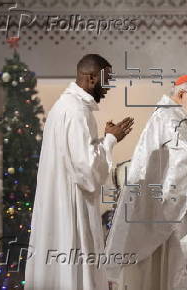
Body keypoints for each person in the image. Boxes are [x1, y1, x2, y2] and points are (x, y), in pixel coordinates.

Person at [105, 75, 187, 290]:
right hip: (161, 203)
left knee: (164, 264)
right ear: (182, 94)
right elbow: (181, 157)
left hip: (162, 200)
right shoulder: (169, 117)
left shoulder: (172, 115)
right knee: (165, 263)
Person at [25, 54, 134, 290]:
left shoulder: (64, 107)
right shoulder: (76, 112)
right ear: (92, 78)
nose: (108, 87)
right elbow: (87, 173)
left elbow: (75, 157)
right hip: (71, 208)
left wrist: (101, 140)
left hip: (59, 203)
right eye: (107, 80)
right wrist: (111, 141)